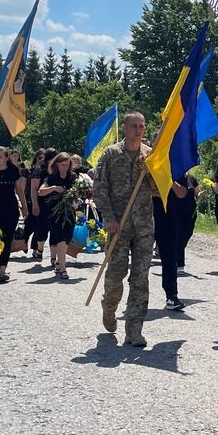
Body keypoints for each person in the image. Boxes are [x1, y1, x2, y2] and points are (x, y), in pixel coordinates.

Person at [91, 111, 159, 347]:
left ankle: (134, 329)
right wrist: (108, 217)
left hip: (143, 226)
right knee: (115, 275)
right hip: (118, 225)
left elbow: (159, 190)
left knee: (140, 277)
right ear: (125, 128)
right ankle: (109, 306)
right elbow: (99, 188)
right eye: (134, 126)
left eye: (142, 126)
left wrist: (151, 173)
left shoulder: (150, 156)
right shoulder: (111, 154)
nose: (138, 130)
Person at [152, 171, 197, 311]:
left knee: (170, 257)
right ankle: (135, 293)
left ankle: (171, 296)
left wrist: (168, 180)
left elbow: (183, 193)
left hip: (168, 218)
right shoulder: (144, 164)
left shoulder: (178, 170)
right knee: (139, 257)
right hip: (143, 216)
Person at [0, 147, 26, 282]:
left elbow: (19, 190)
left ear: (6, 157)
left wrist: (24, 207)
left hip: (10, 208)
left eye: (0, 156)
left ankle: (3, 269)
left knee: (7, 238)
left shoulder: (13, 171)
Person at [40, 152, 78, 279]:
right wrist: (54, 188)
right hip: (54, 213)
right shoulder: (51, 178)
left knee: (66, 240)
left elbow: (79, 193)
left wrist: (79, 193)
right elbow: (41, 192)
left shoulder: (73, 177)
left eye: (67, 165)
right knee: (61, 239)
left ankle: (58, 262)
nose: (65, 167)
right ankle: (63, 268)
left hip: (70, 212)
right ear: (57, 164)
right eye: (62, 165)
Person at [29, 148, 58, 261]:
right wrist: (35, 205)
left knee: (55, 231)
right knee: (42, 230)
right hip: (42, 202)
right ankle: (40, 249)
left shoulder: (57, 170)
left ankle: (53, 258)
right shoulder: (39, 170)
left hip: (56, 203)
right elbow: (34, 189)